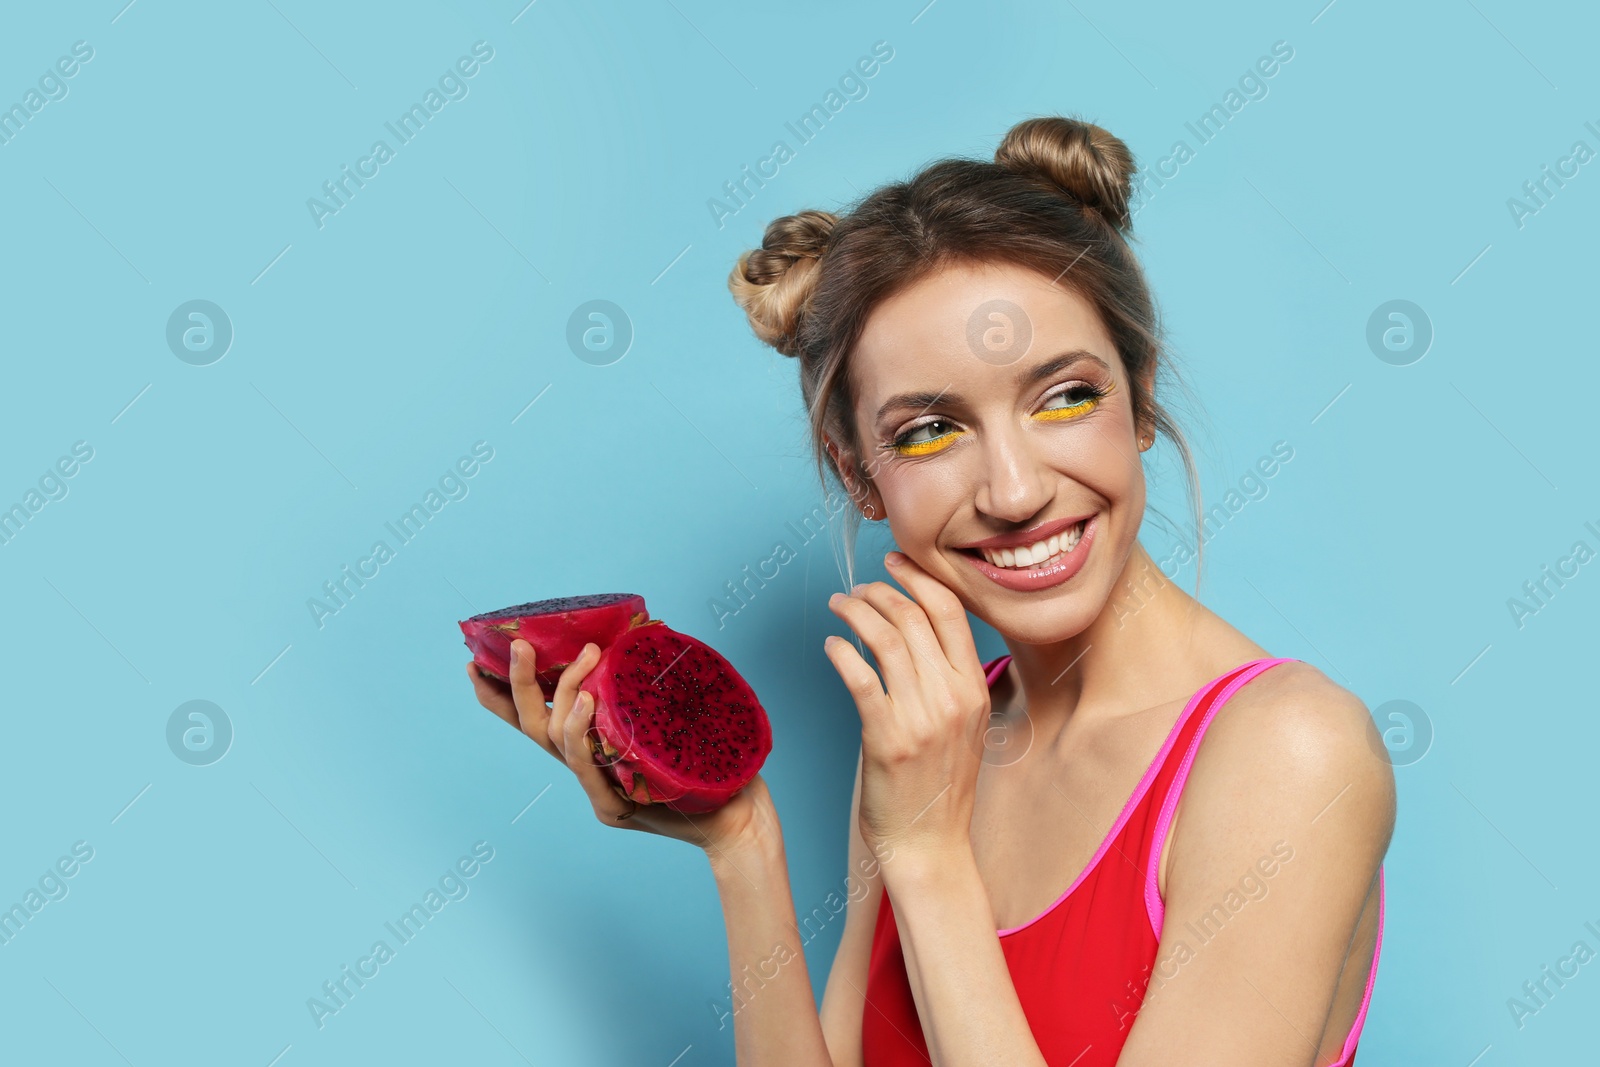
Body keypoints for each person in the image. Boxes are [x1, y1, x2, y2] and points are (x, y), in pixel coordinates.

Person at [468, 114, 1395, 1066]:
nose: (1016, 489)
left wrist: (928, 855)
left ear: (1142, 395)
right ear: (860, 476)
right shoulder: (933, 731)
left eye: (1066, 395)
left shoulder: (1293, 752)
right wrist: (742, 843)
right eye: (929, 431)